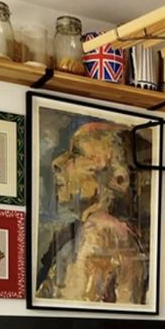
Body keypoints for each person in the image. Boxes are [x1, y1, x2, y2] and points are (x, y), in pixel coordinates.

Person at [35, 120, 148, 305]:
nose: (57, 163)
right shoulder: (98, 229)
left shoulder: (100, 230)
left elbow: (70, 309)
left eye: (76, 153)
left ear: (115, 177)